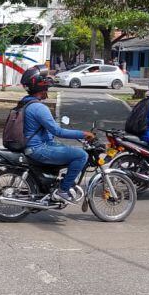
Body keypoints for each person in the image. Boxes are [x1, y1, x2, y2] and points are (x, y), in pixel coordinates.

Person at [20, 67, 94, 203]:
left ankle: (53, 184)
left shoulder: (25, 101)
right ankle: (63, 190)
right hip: (38, 149)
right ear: (40, 86)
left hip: (36, 146)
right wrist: (83, 134)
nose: (48, 86)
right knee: (81, 155)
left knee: (66, 149)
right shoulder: (39, 108)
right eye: (46, 83)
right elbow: (58, 131)